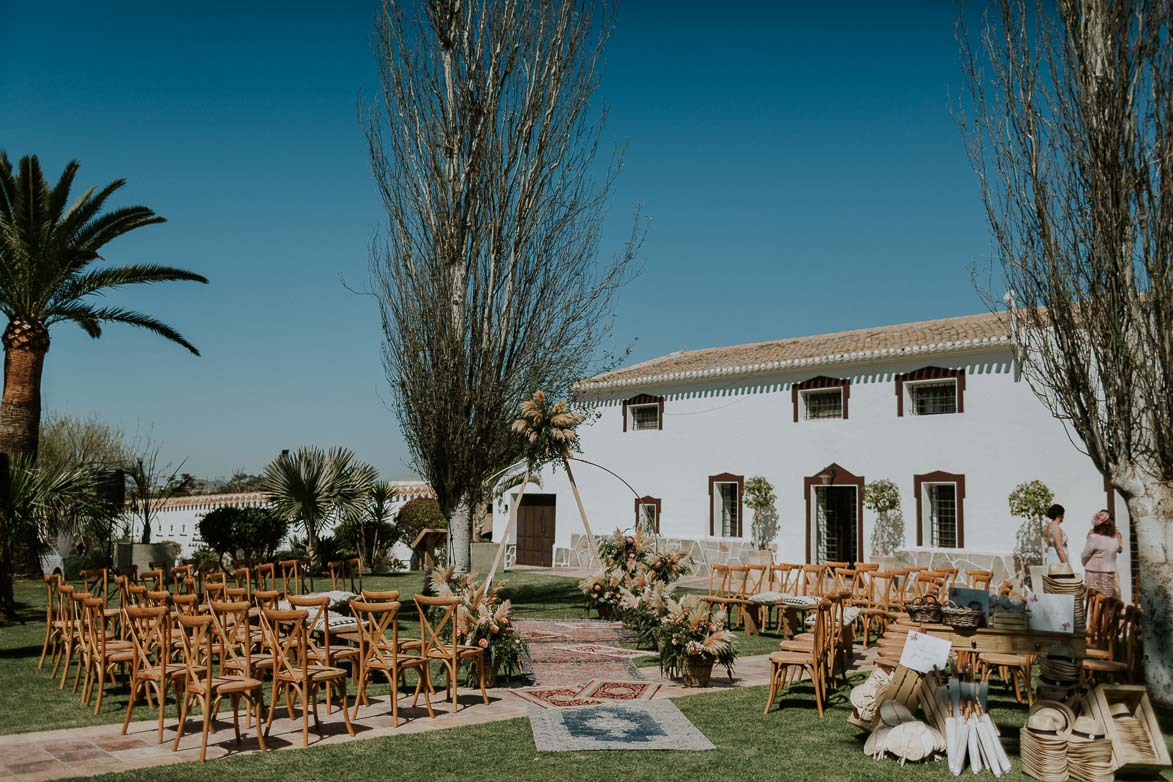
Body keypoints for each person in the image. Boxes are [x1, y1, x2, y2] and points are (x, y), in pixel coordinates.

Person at [1081, 510, 1123, 598]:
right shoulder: (1115, 538)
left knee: (1092, 600)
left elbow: (1085, 554)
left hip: (1092, 573)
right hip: (1108, 573)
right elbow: (1119, 549)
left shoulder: (1093, 536)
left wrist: (1085, 563)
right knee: (1106, 600)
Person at [1043, 503, 1068, 568]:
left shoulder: (1048, 526)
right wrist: (1066, 565)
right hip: (1057, 558)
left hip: (1050, 556)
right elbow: (1059, 548)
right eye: (1063, 515)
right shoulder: (1056, 528)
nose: (1063, 517)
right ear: (1059, 515)